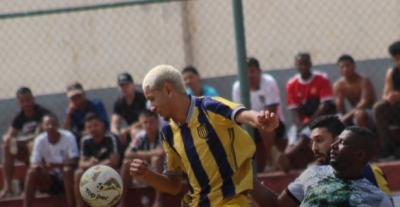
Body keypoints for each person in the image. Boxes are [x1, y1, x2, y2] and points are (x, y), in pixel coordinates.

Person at [130, 65, 279, 207]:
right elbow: (173, 185)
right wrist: (147, 175)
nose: (151, 107)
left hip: (230, 200)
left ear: (168, 90)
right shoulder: (168, 134)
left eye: (152, 99)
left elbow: (243, 115)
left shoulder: (209, 107)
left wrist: (260, 119)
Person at [250, 126, 393, 207]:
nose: (333, 146)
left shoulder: (377, 199)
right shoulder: (312, 174)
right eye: (335, 141)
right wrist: (244, 172)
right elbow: (277, 205)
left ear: (360, 154)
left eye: (342, 143)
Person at [308, 115, 391, 197]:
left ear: (338, 140)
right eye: (312, 142)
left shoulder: (369, 171)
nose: (314, 148)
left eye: (319, 140)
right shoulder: (311, 177)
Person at [282, 52, 336, 171]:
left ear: (310, 64)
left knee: (307, 133)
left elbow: (325, 105)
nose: (303, 66)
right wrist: (299, 124)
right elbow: (294, 109)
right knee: (294, 132)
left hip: (323, 119)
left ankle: (286, 156)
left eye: (306, 63)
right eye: (300, 64)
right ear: (295, 65)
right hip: (305, 121)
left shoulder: (322, 78)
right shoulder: (291, 84)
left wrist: (309, 123)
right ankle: (285, 159)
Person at [232, 57, 286, 172]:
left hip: (274, 124)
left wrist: (258, 120)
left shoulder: (269, 82)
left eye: (252, 71)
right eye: (245, 72)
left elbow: (272, 111)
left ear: (259, 71)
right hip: (249, 124)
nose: (249, 75)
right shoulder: (237, 87)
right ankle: (241, 167)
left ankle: (271, 160)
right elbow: (238, 114)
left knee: (265, 123)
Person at [1, 87, 53, 198]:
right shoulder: (19, 116)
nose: (26, 103)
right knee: (6, 148)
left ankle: (39, 186)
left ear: (33, 99)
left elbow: (38, 136)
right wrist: (7, 138)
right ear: (18, 103)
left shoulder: (42, 113)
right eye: (22, 101)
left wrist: (17, 140)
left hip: (45, 147)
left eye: (28, 100)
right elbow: (10, 134)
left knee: (32, 145)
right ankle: (8, 189)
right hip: (27, 146)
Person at [24, 114, 79, 207]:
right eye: (47, 124)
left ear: (58, 125)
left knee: (67, 170)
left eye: (53, 123)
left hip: (69, 179)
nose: (50, 126)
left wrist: (56, 165)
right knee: (31, 172)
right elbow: (34, 163)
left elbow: (74, 161)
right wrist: (40, 167)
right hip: (51, 180)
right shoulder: (40, 140)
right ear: (42, 126)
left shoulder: (68, 137)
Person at [74, 113, 121, 207]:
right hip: (92, 172)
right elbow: (81, 163)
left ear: (102, 125)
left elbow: (114, 162)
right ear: (86, 129)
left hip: (110, 171)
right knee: (78, 173)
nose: (93, 129)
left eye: (95, 125)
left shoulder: (111, 137)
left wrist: (96, 166)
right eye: (89, 127)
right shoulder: (85, 140)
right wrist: (89, 163)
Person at [119, 110, 164, 207]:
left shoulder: (164, 135)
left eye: (151, 122)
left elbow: (162, 153)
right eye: (145, 122)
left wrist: (140, 154)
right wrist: (152, 153)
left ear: (157, 123)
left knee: (156, 160)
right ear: (141, 124)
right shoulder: (140, 136)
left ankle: (158, 201)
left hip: (163, 172)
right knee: (127, 163)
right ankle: (121, 203)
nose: (148, 125)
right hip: (145, 170)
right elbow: (128, 153)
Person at [373, 41, 400, 161]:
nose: (399, 62)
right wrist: (389, 97)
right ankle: (389, 149)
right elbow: (385, 94)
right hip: (396, 109)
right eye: (396, 59)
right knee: (379, 107)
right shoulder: (391, 73)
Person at [333, 54, 376, 128]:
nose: (345, 69)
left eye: (347, 66)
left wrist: (346, 117)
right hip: (352, 113)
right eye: (342, 67)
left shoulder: (363, 80)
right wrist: (340, 97)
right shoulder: (338, 85)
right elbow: (340, 109)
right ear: (338, 69)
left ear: (354, 66)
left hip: (370, 111)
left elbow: (364, 102)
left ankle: (365, 138)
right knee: (334, 121)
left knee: (359, 115)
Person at [111, 72, 147, 149]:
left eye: (127, 84)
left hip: (145, 127)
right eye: (121, 85)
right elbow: (114, 124)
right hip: (129, 130)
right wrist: (117, 133)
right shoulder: (119, 102)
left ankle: (137, 156)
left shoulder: (142, 99)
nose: (124, 88)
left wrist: (126, 130)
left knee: (134, 132)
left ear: (133, 85)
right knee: (114, 136)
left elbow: (145, 120)